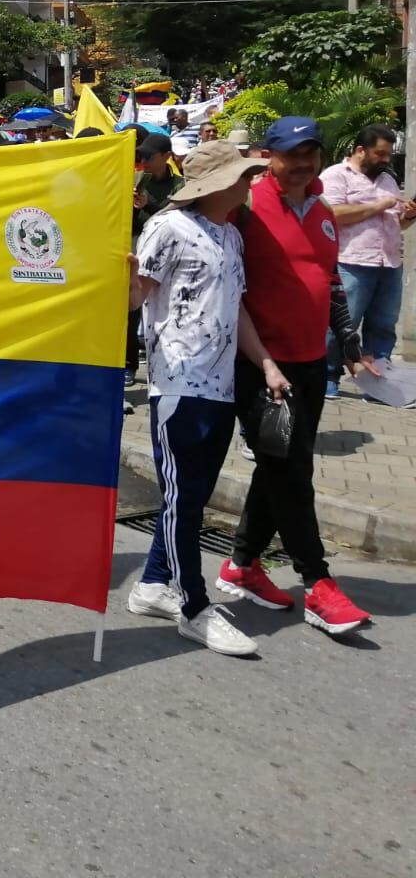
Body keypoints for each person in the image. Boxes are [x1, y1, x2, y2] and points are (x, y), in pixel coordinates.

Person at [217, 117, 380, 636]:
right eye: (292, 154)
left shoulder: (324, 209)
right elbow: (229, 288)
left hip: (311, 363)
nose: (303, 164)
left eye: (311, 154)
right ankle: (318, 584)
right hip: (261, 364)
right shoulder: (245, 209)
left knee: (277, 466)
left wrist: (349, 345)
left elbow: (329, 281)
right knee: (291, 472)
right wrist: (259, 358)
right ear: (269, 156)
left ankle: (241, 564)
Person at [127, 141, 285, 656]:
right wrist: (124, 277)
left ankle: (152, 585)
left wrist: (264, 361)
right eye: (244, 177)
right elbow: (136, 298)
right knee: (181, 499)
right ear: (216, 184)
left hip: (221, 384)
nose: (250, 185)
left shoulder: (232, 237)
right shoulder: (166, 228)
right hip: (176, 382)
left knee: (191, 497)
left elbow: (235, 307)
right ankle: (193, 606)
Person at [320, 123, 416, 395]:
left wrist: (408, 215)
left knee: (384, 325)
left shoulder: (387, 180)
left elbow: (396, 224)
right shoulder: (336, 176)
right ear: (360, 150)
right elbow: (332, 215)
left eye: (388, 155)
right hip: (351, 262)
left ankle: (378, 383)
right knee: (342, 325)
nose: (386, 160)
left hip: (388, 263)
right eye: (381, 154)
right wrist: (377, 206)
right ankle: (329, 375)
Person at [128, 134, 182, 386]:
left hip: (168, 257)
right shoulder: (137, 180)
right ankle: (129, 364)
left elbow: (176, 219)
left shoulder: (181, 186)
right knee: (132, 309)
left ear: (166, 157)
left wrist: (148, 207)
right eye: (141, 156)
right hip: (137, 248)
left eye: (149, 156)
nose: (144, 161)